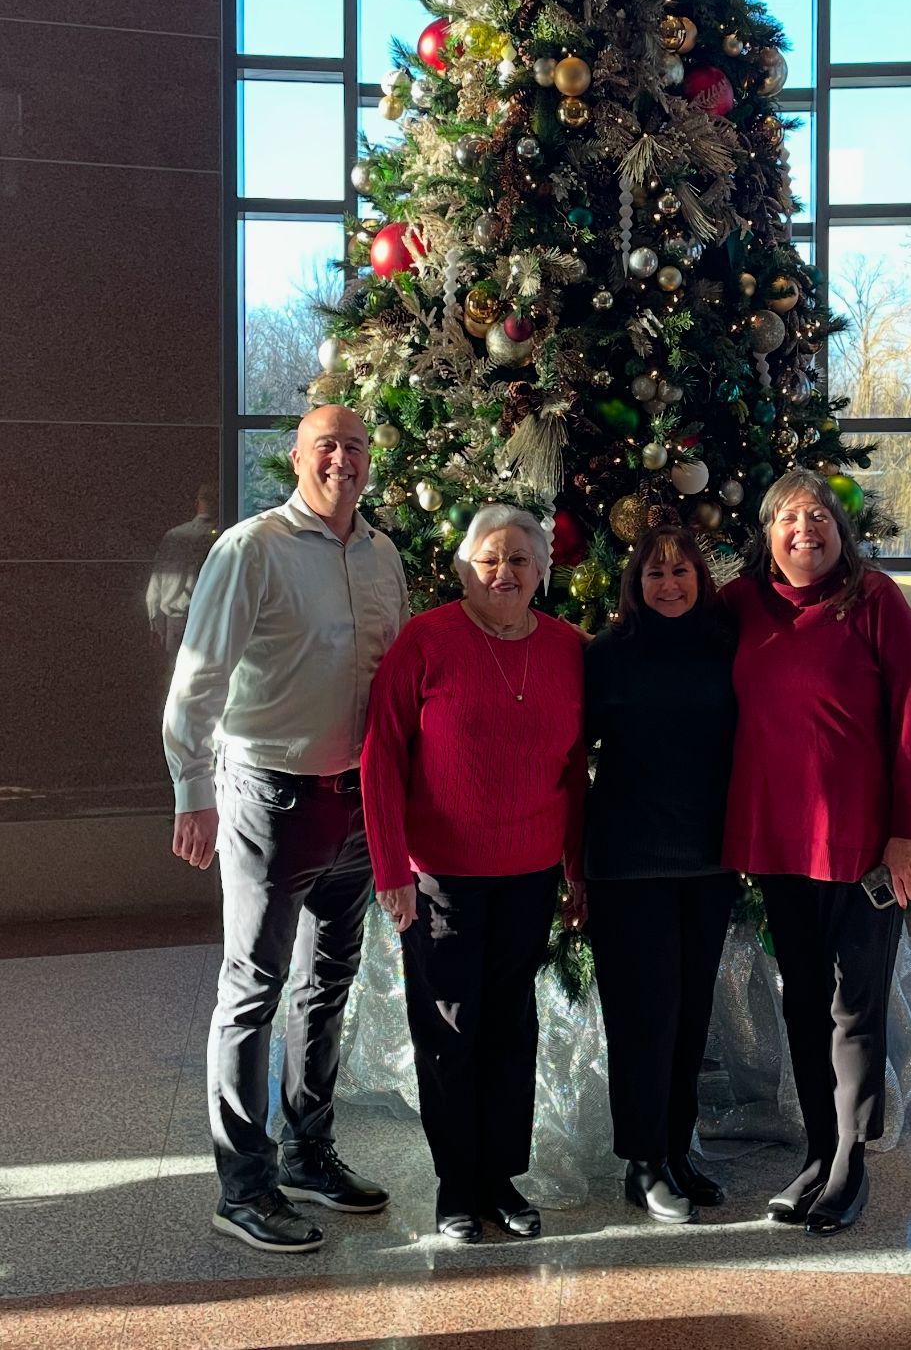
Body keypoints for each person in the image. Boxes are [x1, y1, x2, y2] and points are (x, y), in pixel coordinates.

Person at [162, 406, 410, 1254]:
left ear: (371, 460)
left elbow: (398, 679)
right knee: (252, 989)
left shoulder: (383, 556)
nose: (343, 458)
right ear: (298, 457)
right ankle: (243, 1186)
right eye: (326, 445)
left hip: (355, 805)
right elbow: (199, 674)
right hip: (272, 800)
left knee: (325, 986)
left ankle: (308, 1153)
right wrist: (192, 788)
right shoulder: (252, 548)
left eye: (356, 445)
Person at [722, 468, 911, 1234]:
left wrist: (909, 832)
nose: (804, 530)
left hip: (864, 850)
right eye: (789, 518)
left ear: (842, 533)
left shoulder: (874, 600)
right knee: (805, 1001)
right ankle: (818, 1151)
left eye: (819, 517)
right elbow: (672, 640)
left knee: (856, 1006)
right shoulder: (742, 606)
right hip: (780, 842)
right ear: (768, 534)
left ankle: (851, 1160)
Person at [361, 504, 587, 1244]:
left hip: (529, 873)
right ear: (465, 568)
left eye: (521, 559)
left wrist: (576, 868)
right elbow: (382, 757)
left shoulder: (565, 648)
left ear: (542, 572)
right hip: (441, 879)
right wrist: (391, 865)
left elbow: (578, 771)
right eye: (490, 558)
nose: (505, 572)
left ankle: (500, 1179)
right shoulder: (426, 641)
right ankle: (456, 1185)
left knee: (510, 1027)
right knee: (450, 1030)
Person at [584, 523, 738, 1224]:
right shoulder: (607, 656)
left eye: (680, 572)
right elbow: (564, 754)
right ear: (634, 584)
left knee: (689, 1016)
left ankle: (676, 1150)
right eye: (654, 574)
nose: (669, 584)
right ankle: (643, 1163)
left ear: (700, 579)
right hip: (627, 865)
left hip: (707, 862)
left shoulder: (724, 648)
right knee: (643, 1019)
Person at [146, 482, 219, 657]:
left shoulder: (173, 536)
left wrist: (155, 625)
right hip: (212, 622)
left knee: (175, 679)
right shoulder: (226, 536)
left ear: (196, 503)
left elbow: (155, 585)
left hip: (176, 624)